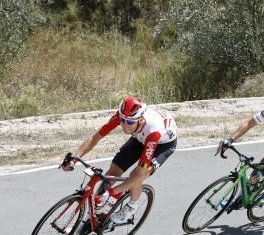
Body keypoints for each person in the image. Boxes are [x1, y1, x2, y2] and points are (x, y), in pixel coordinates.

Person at [61, 95, 177, 227]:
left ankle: (131, 206)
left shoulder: (153, 131)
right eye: (122, 120)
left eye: (129, 122)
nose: (124, 125)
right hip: (139, 138)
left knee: (136, 176)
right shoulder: (123, 116)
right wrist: (75, 158)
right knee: (113, 171)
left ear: (141, 119)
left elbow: (140, 173)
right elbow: (95, 137)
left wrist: (111, 192)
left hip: (162, 145)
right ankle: (97, 212)